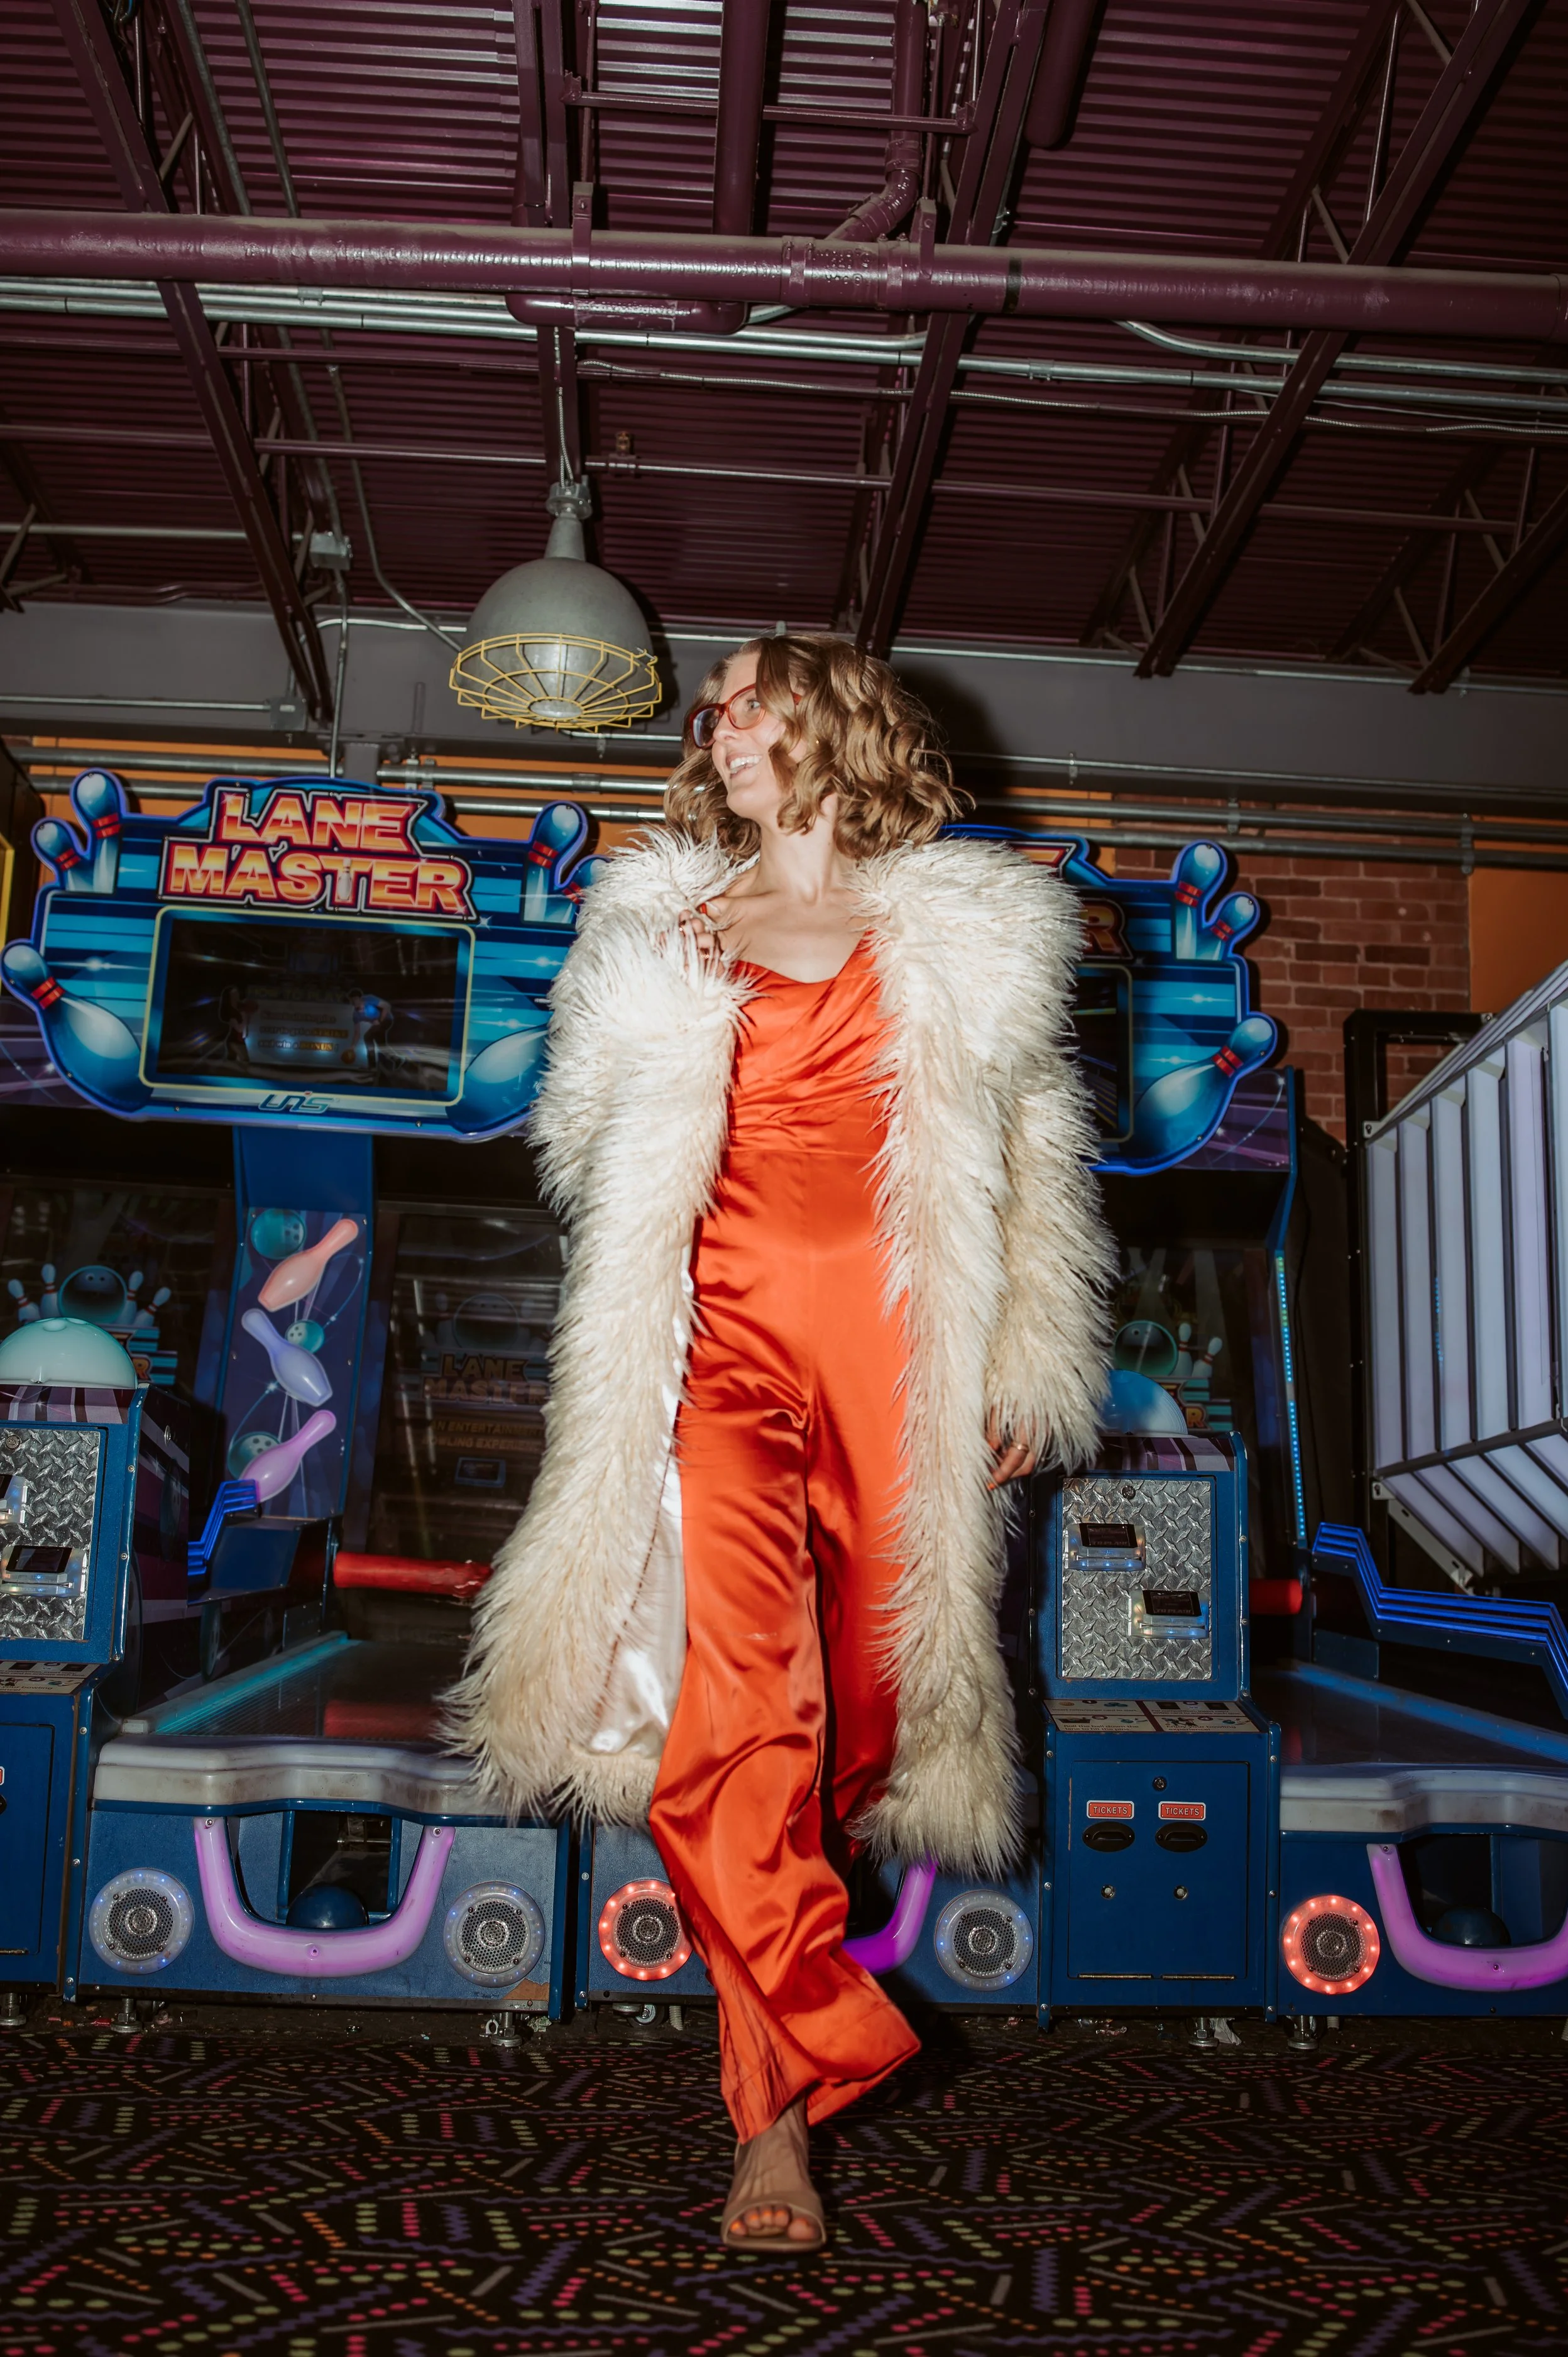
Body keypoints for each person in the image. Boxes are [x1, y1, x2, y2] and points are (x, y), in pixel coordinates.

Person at [446, 633, 1112, 2250]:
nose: (721, 721)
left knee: (853, 1737)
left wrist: (1030, 1354)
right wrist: (632, 1035)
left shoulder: (967, 934)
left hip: (899, 1362)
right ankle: (785, 2113)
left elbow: (1033, 1170)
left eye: (753, 698)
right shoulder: (657, 926)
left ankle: (791, 2048)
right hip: (718, 1360)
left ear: (836, 722)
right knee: (740, 1720)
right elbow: (576, 1150)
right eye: (716, 707)